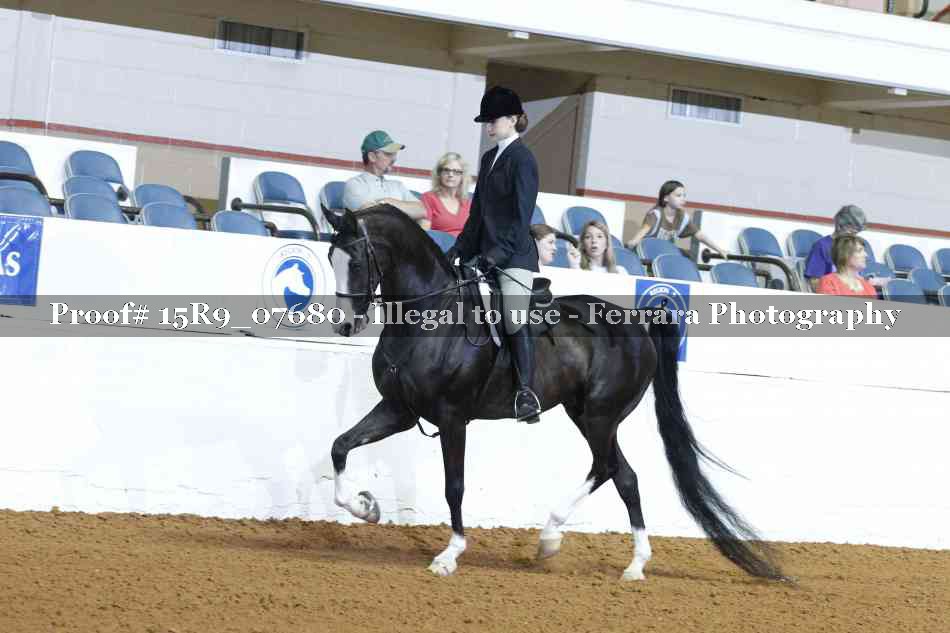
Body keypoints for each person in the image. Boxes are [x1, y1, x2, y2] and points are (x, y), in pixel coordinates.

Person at [447, 86, 542, 424]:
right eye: (486, 121)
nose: (489, 125)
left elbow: (521, 217)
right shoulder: (489, 159)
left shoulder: (524, 159)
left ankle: (526, 393)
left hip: (513, 257)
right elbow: (477, 215)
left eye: (493, 119)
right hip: (483, 253)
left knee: (513, 316)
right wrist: (458, 248)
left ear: (513, 119)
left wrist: (497, 255)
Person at [625, 180, 729, 259]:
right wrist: (634, 241)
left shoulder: (683, 217)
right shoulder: (655, 214)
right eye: (678, 196)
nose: (683, 199)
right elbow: (643, 230)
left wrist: (719, 250)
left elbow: (699, 235)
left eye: (684, 196)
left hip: (665, 256)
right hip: (647, 256)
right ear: (666, 198)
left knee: (687, 257)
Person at [342, 130, 426, 219]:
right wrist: (405, 208)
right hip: (378, 228)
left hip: (401, 228)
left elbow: (424, 211)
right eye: (388, 154)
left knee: (424, 222)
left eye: (394, 154)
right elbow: (375, 216)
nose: (394, 158)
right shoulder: (355, 184)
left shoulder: (398, 185)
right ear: (372, 157)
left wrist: (387, 202)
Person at [804, 204, 885, 292]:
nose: (853, 236)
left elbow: (858, 277)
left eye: (856, 232)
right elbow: (815, 282)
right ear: (839, 226)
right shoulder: (822, 246)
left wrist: (869, 283)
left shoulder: (857, 245)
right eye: (852, 231)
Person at [419, 153, 471, 237]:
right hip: (441, 244)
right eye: (446, 170)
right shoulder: (428, 198)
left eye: (456, 172)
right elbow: (424, 234)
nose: (451, 175)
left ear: (462, 177)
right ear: (439, 174)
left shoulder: (466, 201)